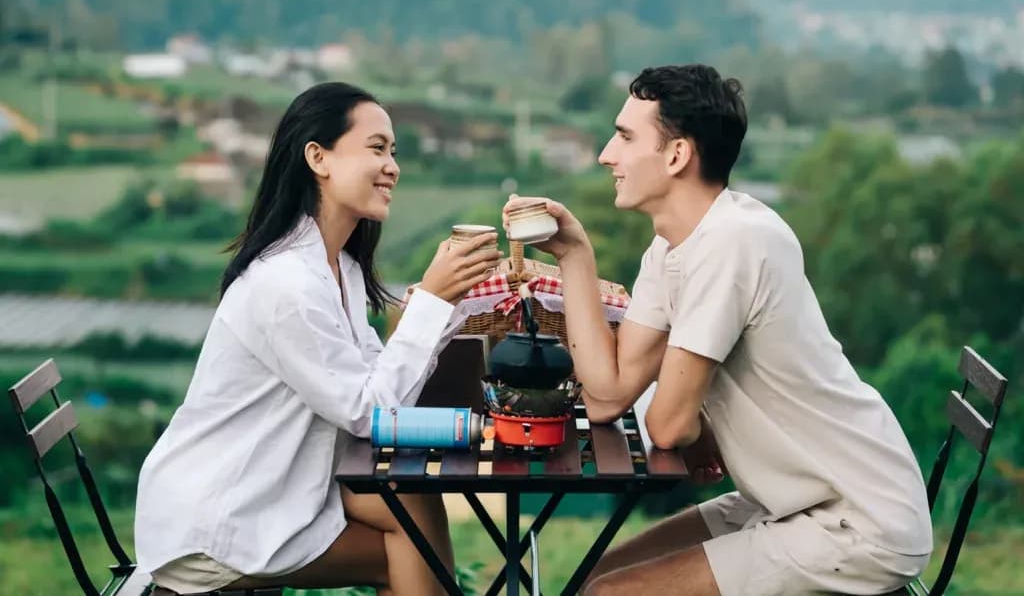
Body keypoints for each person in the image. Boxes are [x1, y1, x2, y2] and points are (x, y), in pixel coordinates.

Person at [503, 65, 932, 596]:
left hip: (856, 519)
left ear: (677, 155)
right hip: (786, 501)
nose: (606, 155)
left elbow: (667, 425)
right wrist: (574, 255)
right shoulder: (672, 246)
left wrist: (693, 420)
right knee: (594, 577)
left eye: (625, 136)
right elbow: (608, 396)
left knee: (608, 595)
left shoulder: (734, 242)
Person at [135, 82, 500, 595]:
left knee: (414, 501)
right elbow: (368, 411)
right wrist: (431, 306)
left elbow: (381, 395)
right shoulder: (287, 285)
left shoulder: (339, 269)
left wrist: (437, 309)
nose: (393, 166)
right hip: (218, 520)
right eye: (377, 148)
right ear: (318, 157)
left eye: (393, 151)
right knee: (409, 547)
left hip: (278, 490)